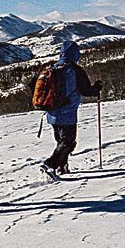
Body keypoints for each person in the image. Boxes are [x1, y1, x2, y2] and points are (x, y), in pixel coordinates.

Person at [41, 40, 103, 176]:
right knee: (68, 143)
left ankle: (62, 168)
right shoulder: (75, 70)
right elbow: (86, 90)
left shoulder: (53, 68)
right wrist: (97, 88)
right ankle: (50, 165)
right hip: (67, 113)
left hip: (52, 113)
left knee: (61, 142)